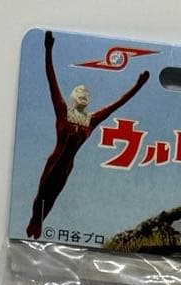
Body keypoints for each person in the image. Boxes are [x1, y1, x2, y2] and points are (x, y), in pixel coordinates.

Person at [27, 31, 150, 239]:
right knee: (43, 195)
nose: (83, 96)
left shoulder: (91, 120)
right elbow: (52, 82)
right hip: (55, 160)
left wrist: (138, 86)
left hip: (67, 166)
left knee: (52, 197)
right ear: (73, 98)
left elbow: (117, 104)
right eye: (79, 93)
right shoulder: (63, 112)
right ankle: (34, 221)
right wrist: (48, 50)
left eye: (86, 95)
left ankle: (39, 223)